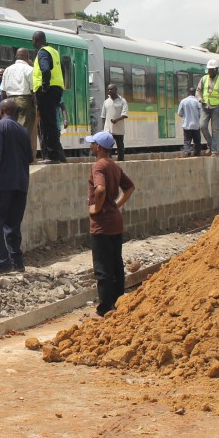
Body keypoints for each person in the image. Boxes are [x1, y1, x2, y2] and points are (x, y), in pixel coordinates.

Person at [0, 99, 33, 275]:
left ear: (1, 110)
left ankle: (2, 263)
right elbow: (29, 159)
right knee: (13, 224)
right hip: (21, 184)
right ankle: (18, 262)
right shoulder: (24, 131)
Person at [85, 131, 136, 317]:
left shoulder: (98, 166)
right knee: (116, 263)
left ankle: (105, 307)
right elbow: (130, 187)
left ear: (98, 147)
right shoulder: (113, 165)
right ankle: (119, 300)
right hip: (115, 222)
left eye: (92, 144)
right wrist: (116, 204)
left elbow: (100, 190)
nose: (90, 147)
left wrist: (96, 209)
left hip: (102, 224)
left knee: (102, 267)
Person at [32, 30, 68, 163]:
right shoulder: (54, 51)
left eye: (33, 41)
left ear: (36, 40)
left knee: (48, 124)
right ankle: (54, 155)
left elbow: (45, 69)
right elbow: (63, 70)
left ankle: (52, 156)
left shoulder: (42, 52)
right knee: (51, 122)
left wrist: (45, 86)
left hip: (46, 91)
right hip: (56, 89)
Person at [0, 48, 37, 157]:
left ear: (16, 56)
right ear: (27, 57)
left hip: (9, 101)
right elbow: (33, 90)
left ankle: (10, 155)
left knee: (10, 129)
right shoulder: (30, 69)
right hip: (24, 100)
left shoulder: (7, 69)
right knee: (23, 130)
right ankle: (23, 156)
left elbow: (3, 90)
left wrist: (2, 105)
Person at [197, 59, 219, 156]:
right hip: (205, 106)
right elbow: (198, 91)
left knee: (215, 129)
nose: (210, 71)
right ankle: (211, 144)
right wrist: (200, 99)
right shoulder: (204, 79)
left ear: (216, 70)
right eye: (209, 69)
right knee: (202, 126)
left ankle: (215, 151)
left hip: (217, 107)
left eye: (212, 70)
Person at [101, 83, 129, 162]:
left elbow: (125, 114)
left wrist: (116, 120)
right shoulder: (106, 102)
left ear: (116, 90)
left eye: (111, 89)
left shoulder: (122, 101)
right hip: (108, 130)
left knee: (120, 147)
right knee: (108, 147)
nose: (109, 91)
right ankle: (109, 162)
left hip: (119, 130)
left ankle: (121, 161)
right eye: (108, 89)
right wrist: (104, 128)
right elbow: (103, 116)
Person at [177, 87, 202, 156]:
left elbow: (179, 113)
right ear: (195, 93)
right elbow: (200, 113)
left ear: (189, 93)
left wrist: (185, 117)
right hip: (196, 125)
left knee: (187, 140)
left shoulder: (183, 101)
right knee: (197, 140)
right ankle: (197, 152)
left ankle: (187, 151)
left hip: (186, 124)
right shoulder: (197, 102)